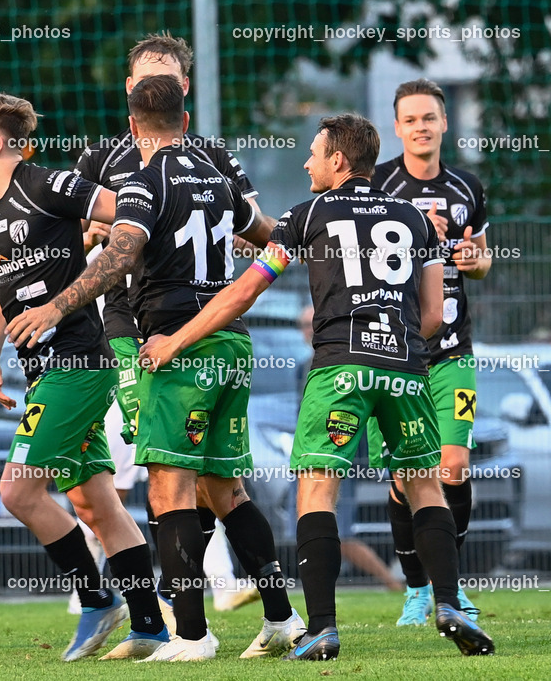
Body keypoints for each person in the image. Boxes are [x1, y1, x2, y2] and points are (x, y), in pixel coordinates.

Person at [139, 112, 495, 660]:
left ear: (338, 160)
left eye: (313, 153)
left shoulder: (305, 216)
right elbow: (431, 315)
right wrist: (394, 345)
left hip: (340, 370)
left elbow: (244, 292)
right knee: (425, 485)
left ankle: (322, 627)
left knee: (316, 489)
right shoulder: (415, 219)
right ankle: (448, 603)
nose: (307, 163)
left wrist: (175, 341)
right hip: (405, 369)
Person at [7, 75, 304, 662]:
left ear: (133, 125)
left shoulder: (142, 182)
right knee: (226, 489)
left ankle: (192, 635)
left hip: (177, 347)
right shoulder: (219, 179)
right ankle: (282, 618)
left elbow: (118, 258)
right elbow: (274, 240)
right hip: (231, 344)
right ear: (185, 121)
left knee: (170, 490)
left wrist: (56, 306)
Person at [0, 90, 168, 662]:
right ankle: (150, 627)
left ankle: (96, 599)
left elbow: (133, 216)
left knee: (17, 490)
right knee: (96, 505)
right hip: (41, 372)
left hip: (79, 364)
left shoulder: (50, 185)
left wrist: (98, 240)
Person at [74, 32, 266, 622]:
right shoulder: (101, 158)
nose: (155, 82)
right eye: (145, 75)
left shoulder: (213, 158)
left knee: (179, 469)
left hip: (190, 324)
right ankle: (163, 595)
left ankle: (177, 602)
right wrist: (97, 232)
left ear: (184, 87)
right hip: (124, 324)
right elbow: (74, 237)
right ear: (130, 88)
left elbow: (253, 228)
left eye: (167, 74)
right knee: (153, 466)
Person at [373, 78, 491, 625]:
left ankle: (451, 585)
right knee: (404, 477)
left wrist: (472, 258)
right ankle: (417, 589)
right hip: (398, 351)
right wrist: (418, 232)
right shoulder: (378, 184)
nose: (421, 127)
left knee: (454, 466)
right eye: (411, 119)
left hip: (453, 351)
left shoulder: (467, 186)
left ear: (444, 123)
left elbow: (482, 261)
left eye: (429, 118)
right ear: (397, 128)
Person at [297, 306, 403, 592]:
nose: (309, 330)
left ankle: (394, 584)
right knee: (316, 524)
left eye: (312, 323)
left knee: (338, 532)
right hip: (313, 455)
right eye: (304, 325)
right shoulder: (304, 367)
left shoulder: (349, 361)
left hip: (343, 457)